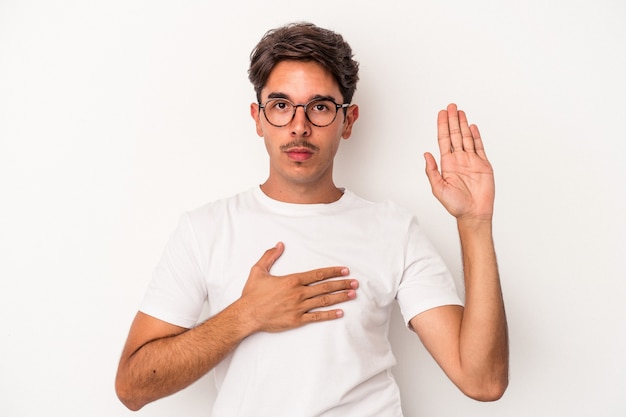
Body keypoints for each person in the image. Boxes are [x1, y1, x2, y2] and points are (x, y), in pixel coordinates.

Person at [115, 21, 508, 416]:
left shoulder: (395, 230)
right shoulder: (205, 230)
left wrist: (474, 224)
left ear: (348, 120)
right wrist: (245, 315)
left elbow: (483, 381)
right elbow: (132, 387)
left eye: (320, 107)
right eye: (281, 106)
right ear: (258, 118)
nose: (299, 127)